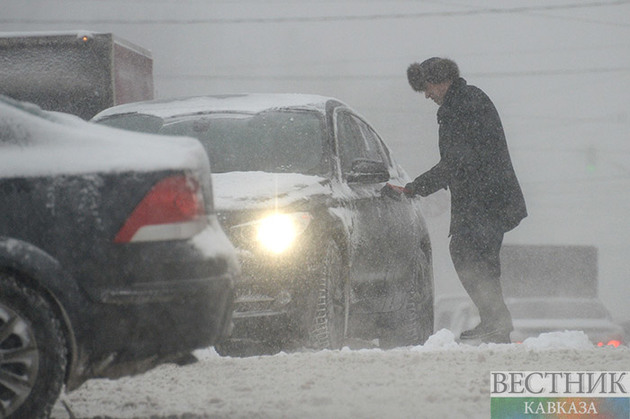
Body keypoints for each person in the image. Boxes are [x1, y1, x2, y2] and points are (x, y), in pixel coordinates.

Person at [404, 57, 527, 344]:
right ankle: (495, 323)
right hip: (484, 199)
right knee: (475, 257)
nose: (426, 94)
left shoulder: (463, 105)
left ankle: (496, 321)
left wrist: (416, 187)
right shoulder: (464, 101)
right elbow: (459, 160)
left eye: (427, 87)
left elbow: (457, 161)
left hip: (486, 199)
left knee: (470, 254)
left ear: (439, 81)